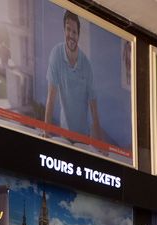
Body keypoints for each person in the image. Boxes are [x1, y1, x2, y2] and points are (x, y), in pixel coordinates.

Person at [44, 10, 102, 144]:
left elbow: (94, 110)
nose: (71, 35)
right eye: (68, 30)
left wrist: (101, 146)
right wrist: (46, 132)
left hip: (83, 137)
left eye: (74, 32)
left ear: (78, 35)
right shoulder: (56, 54)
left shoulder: (87, 65)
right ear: (64, 30)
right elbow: (51, 98)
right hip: (64, 133)